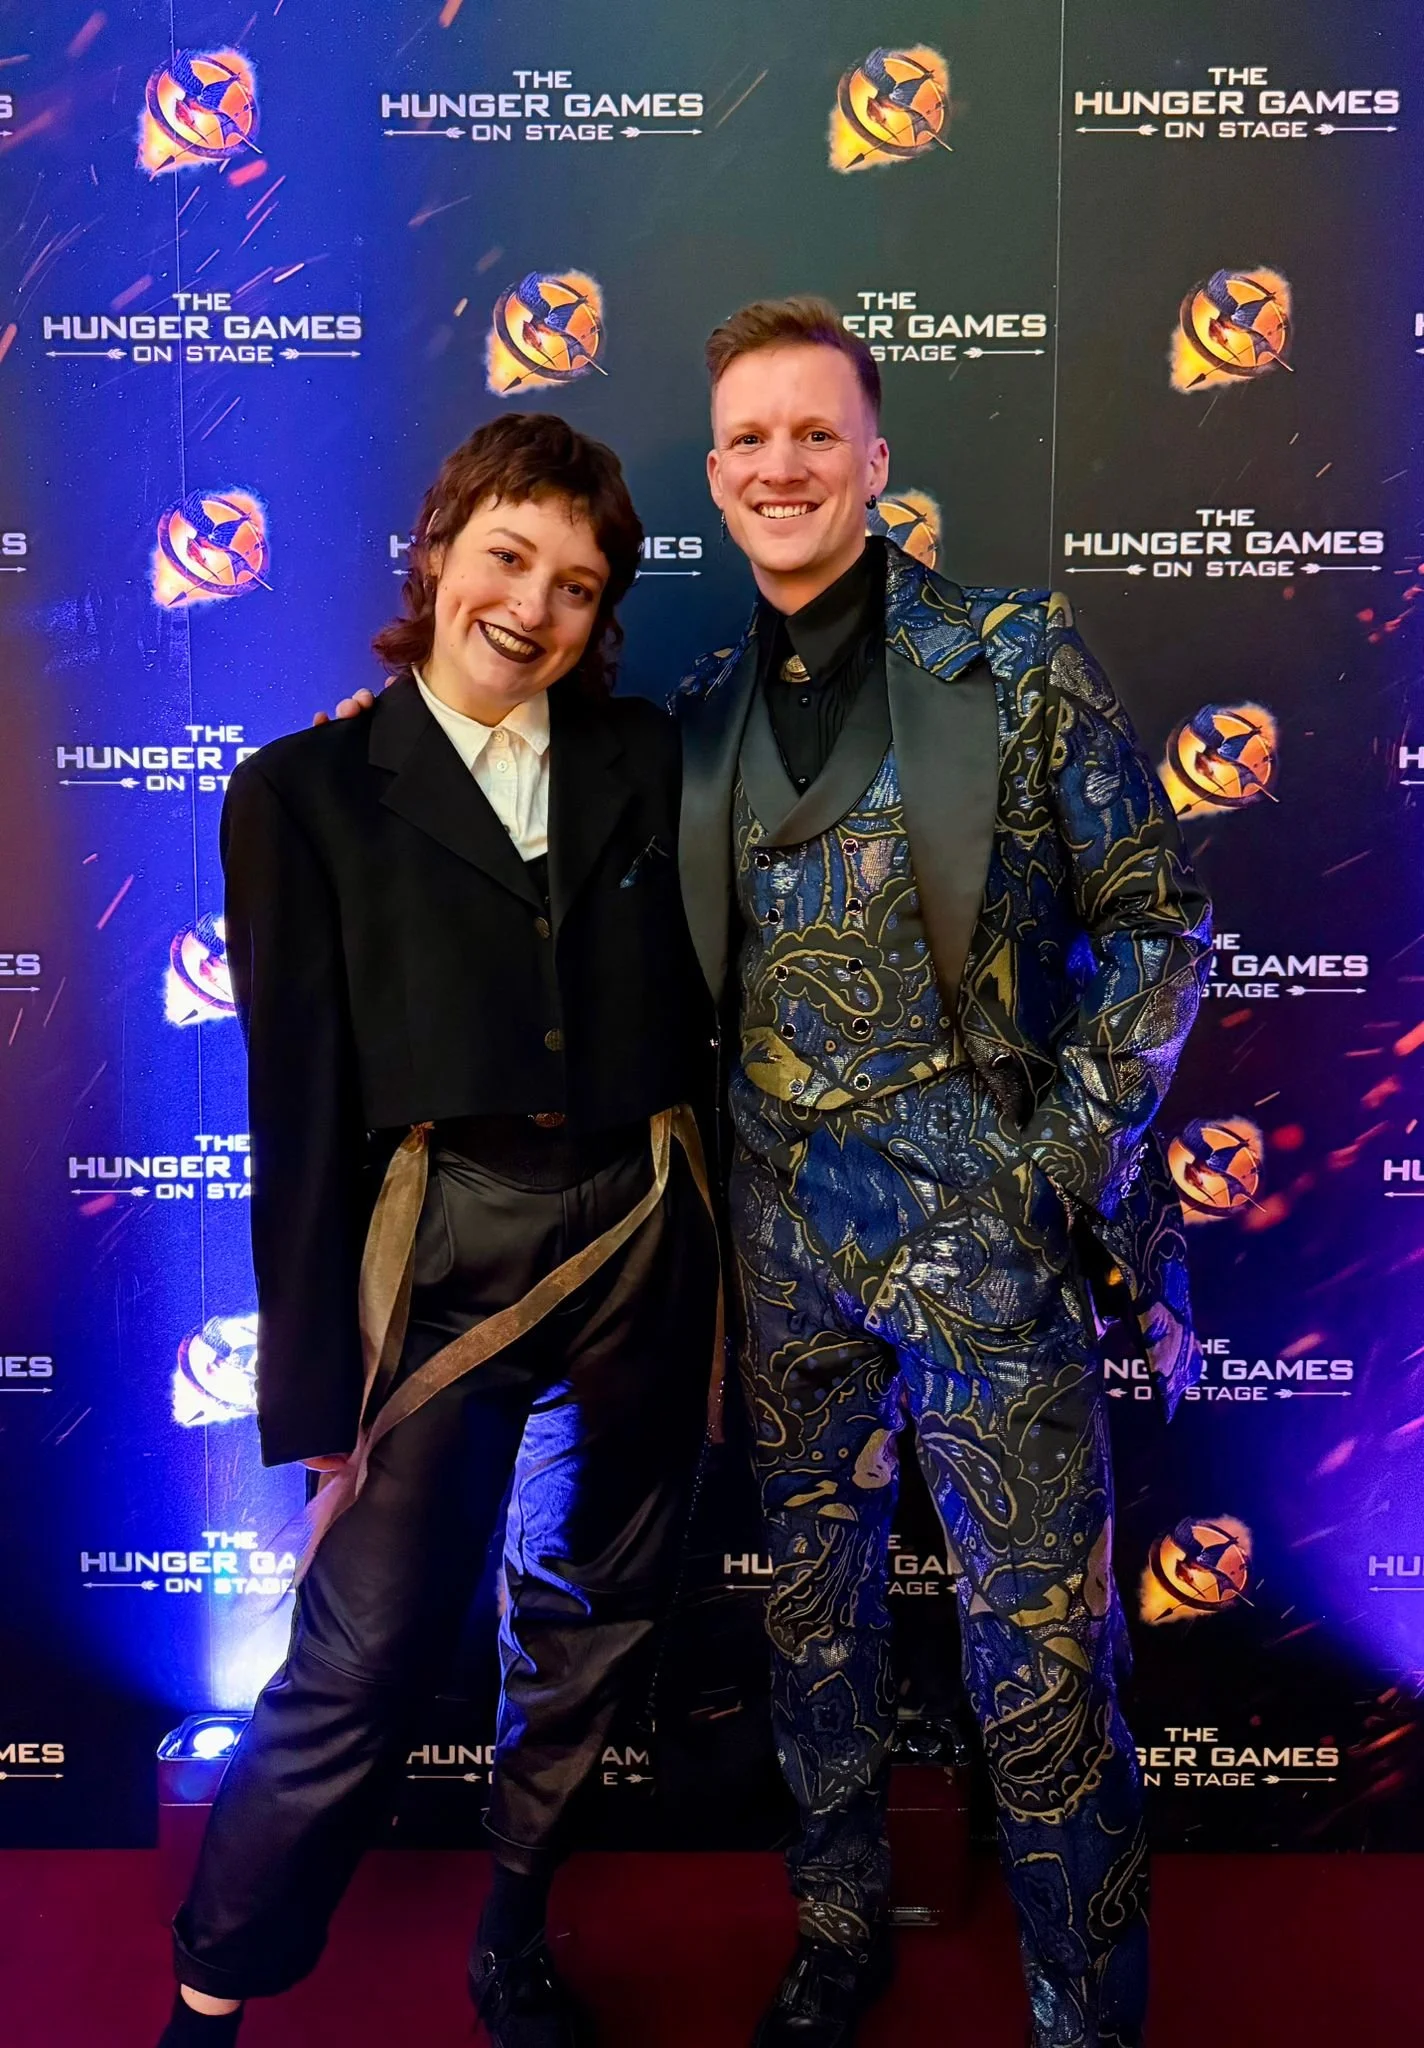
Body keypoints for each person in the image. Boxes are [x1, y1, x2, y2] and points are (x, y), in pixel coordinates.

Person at [675, 298, 1212, 2048]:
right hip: (779, 1247)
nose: (781, 464)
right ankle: (840, 1933)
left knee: (1044, 1665)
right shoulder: (688, 716)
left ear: (876, 461)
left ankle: (1085, 2007)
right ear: (713, 473)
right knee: (815, 1629)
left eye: (815, 433)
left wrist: (1062, 1166)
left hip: (989, 1245)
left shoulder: (1014, 655)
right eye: (750, 438)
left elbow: (1157, 919)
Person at [158, 413, 719, 2048]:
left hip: (639, 1230)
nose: (531, 605)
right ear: (438, 549)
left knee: (590, 1627)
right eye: (506, 556)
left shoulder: (647, 761)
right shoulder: (304, 790)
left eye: (576, 582)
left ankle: (515, 1934)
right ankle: (211, 2000)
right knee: (361, 1657)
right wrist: (315, 1396)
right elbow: (299, 1110)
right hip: (442, 1237)